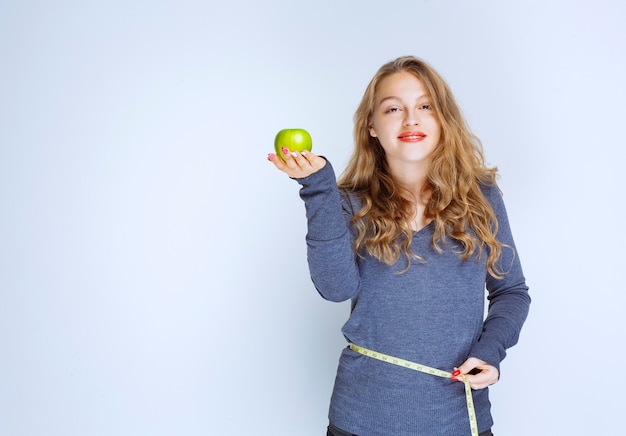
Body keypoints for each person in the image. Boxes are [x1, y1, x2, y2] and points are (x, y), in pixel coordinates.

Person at [267, 55, 530, 436]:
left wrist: (490, 352)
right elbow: (335, 289)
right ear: (371, 126)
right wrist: (318, 187)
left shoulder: (481, 198)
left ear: (443, 120)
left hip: (457, 418)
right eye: (393, 108)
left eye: (425, 106)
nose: (411, 119)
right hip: (360, 420)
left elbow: (512, 292)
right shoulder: (348, 203)